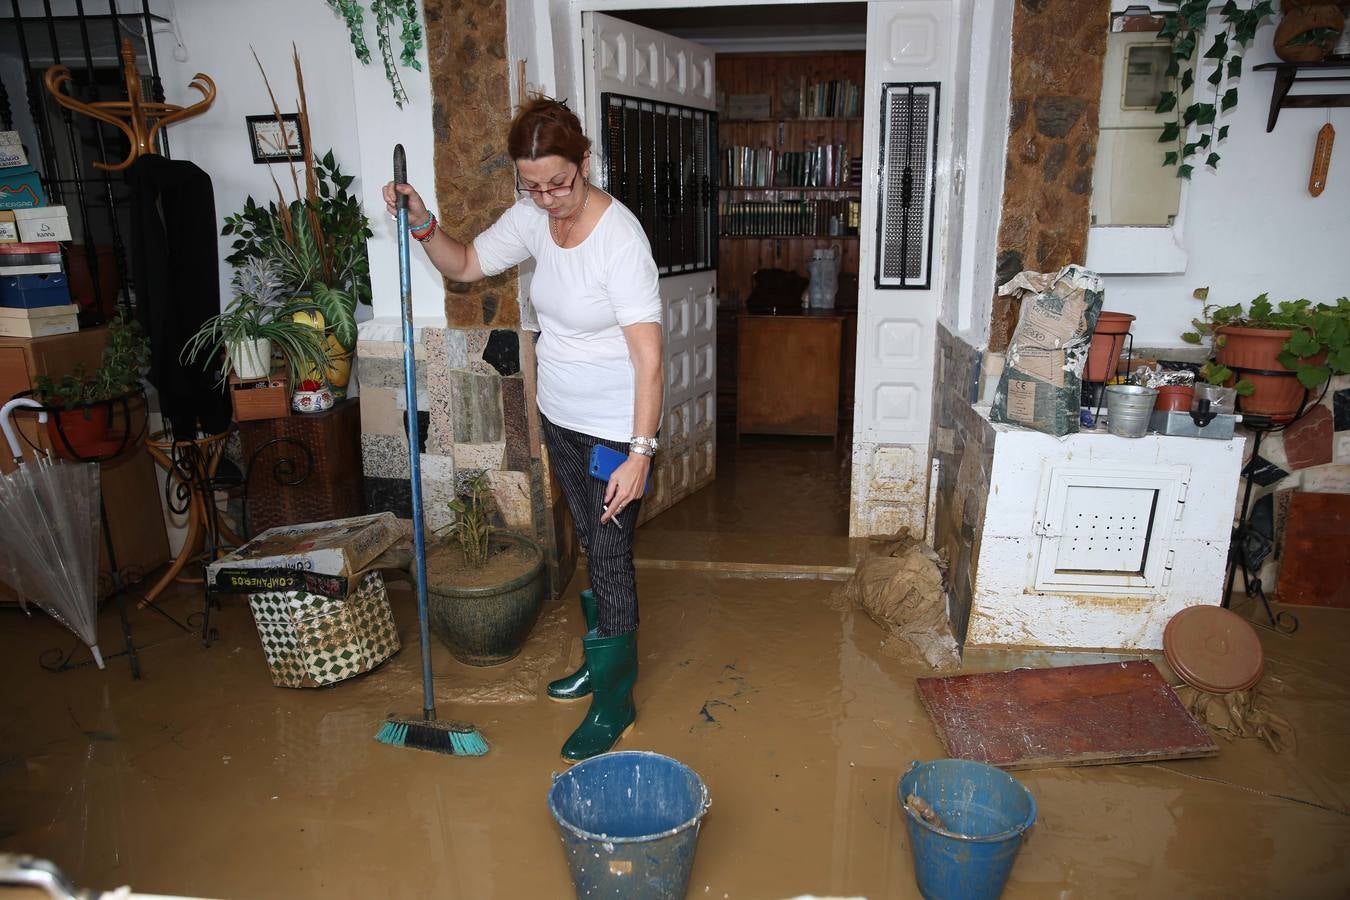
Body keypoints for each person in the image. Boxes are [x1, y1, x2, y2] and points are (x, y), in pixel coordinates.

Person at [383, 97, 662, 764]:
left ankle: (615, 701)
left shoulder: (620, 239)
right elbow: (466, 264)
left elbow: (649, 355)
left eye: (559, 183)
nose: (548, 198)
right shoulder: (536, 219)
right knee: (592, 544)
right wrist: (424, 224)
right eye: (532, 185)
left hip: (616, 433)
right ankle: (599, 667)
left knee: (611, 551)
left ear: (585, 163)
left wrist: (641, 453)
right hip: (561, 418)